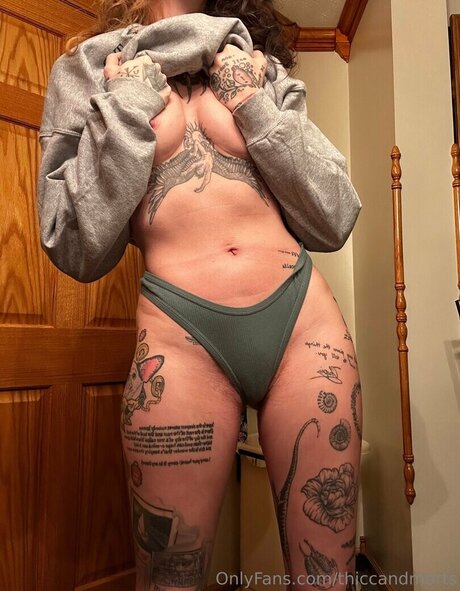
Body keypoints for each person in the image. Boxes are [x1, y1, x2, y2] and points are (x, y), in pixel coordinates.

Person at [37, 0, 363, 589]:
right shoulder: (89, 69)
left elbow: (335, 215)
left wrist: (251, 98)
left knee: (328, 581)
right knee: (170, 581)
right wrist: (127, 103)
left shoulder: (255, 62)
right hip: (180, 338)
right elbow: (75, 244)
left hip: (302, 323)